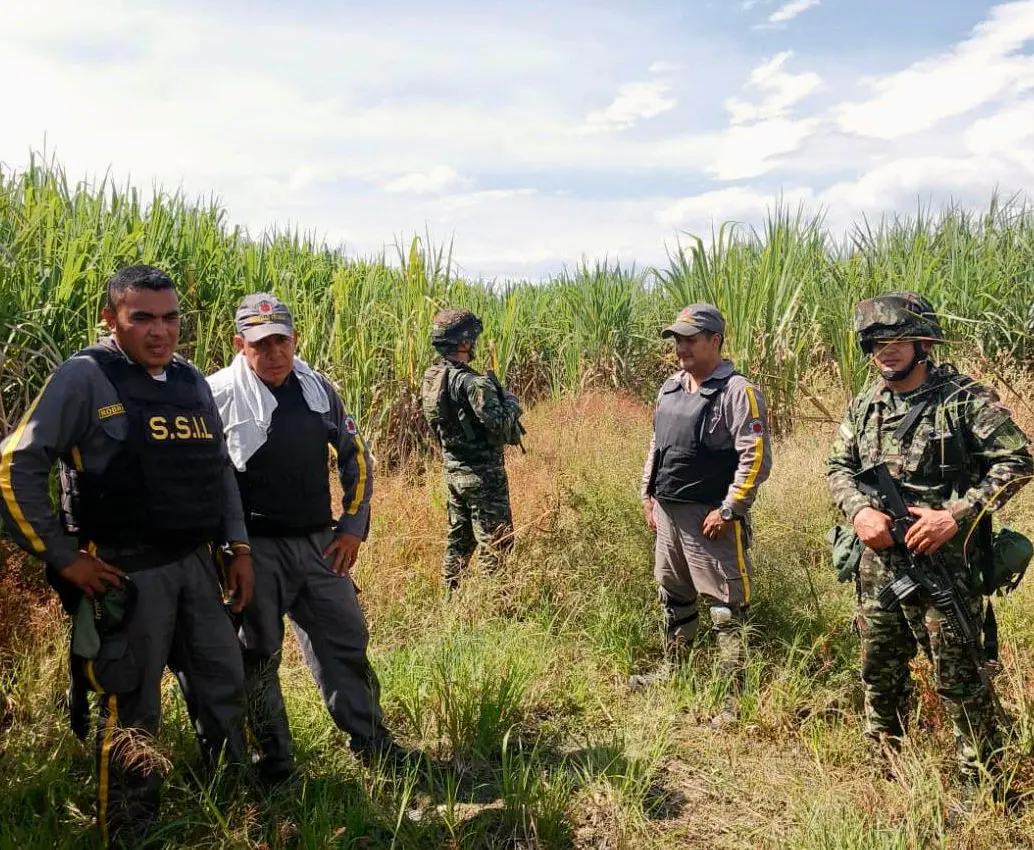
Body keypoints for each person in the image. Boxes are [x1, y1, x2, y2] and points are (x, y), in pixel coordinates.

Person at [0, 265, 253, 847]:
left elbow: (217, 469)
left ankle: (232, 811)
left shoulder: (190, 381)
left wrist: (236, 545)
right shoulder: (85, 377)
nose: (160, 331)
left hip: (196, 564)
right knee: (132, 708)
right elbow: (15, 467)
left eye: (170, 318)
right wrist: (64, 557)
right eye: (142, 318)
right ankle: (132, 830)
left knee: (222, 681)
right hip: (126, 572)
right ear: (111, 319)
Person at [207, 293, 414, 784]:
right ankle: (273, 763)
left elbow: (356, 456)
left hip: (319, 546)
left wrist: (351, 527)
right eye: (262, 343)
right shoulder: (215, 396)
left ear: (294, 339)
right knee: (257, 654)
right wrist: (227, 550)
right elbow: (205, 480)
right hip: (251, 550)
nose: (275, 352)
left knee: (345, 639)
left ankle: (371, 743)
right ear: (240, 344)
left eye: (282, 340)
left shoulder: (316, 387)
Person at [827, 292, 1032, 782]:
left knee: (961, 677)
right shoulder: (865, 405)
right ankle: (886, 765)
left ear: (923, 341)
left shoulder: (962, 399)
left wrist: (955, 515)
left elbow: (1019, 461)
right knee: (879, 670)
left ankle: (980, 779)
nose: (885, 349)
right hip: (879, 566)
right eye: (875, 341)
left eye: (896, 338)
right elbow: (839, 467)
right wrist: (858, 513)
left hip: (945, 564)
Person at [633, 304, 772, 728]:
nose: (681, 348)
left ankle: (735, 699)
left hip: (711, 520)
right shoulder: (670, 388)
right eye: (677, 340)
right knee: (674, 598)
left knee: (727, 609)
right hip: (668, 515)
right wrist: (647, 493)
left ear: (715, 341)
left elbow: (757, 459)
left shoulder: (737, 391)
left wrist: (729, 510)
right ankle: (673, 671)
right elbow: (657, 445)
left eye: (690, 340)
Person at [419, 308, 524, 591]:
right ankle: (500, 607)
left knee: (459, 541)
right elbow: (500, 425)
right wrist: (512, 402)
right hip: (483, 478)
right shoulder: (474, 384)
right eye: (472, 339)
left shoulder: (432, 377)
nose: (475, 344)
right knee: (496, 545)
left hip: (454, 473)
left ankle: (452, 600)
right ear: (463, 343)